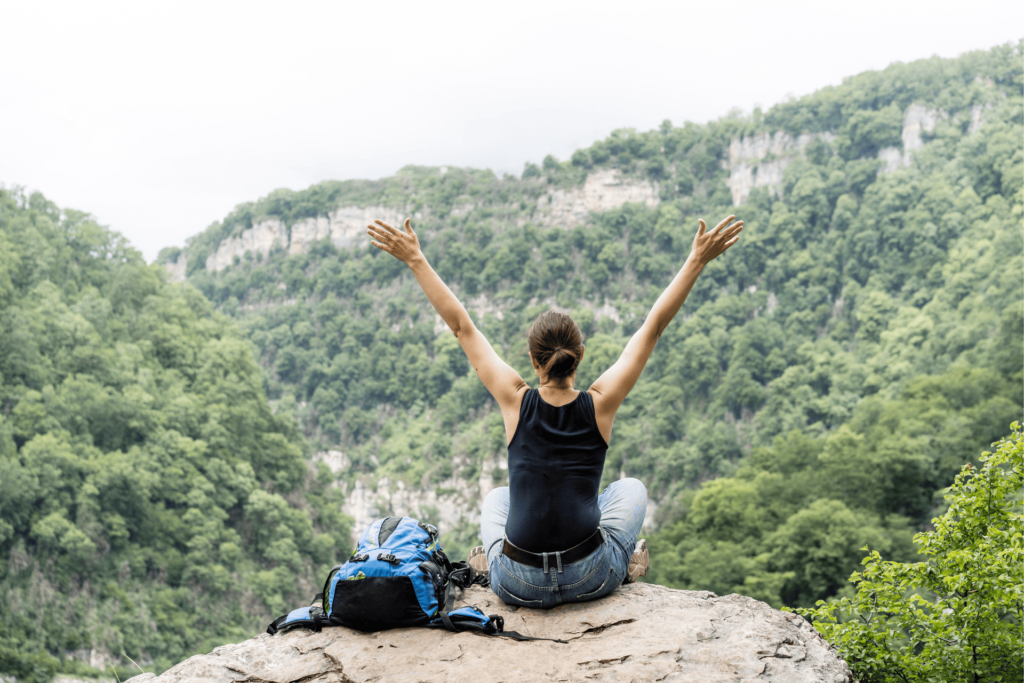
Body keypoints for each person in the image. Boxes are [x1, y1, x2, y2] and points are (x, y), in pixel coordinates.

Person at [367, 213, 743, 608]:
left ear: (533, 360)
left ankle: (489, 567)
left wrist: (416, 259)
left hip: (517, 584)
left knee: (497, 498)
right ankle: (623, 564)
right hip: (591, 577)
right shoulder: (600, 403)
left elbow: (462, 326)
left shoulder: (515, 398)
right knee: (630, 489)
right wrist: (697, 259)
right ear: (580, 356)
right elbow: (652, 328)